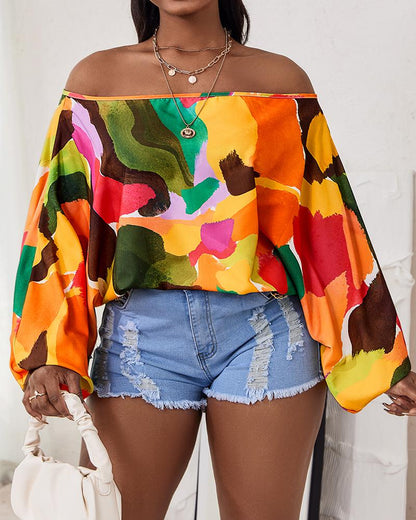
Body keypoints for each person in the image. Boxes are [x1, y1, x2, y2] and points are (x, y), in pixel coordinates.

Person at [9, 1, 416, 519]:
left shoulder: (280, 81)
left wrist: (381, 352)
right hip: (141, 337)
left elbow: (326, 223)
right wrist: (48, 349)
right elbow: (58, 223)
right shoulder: (96, 81)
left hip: (267, 334)